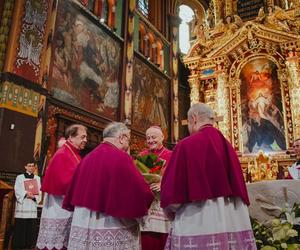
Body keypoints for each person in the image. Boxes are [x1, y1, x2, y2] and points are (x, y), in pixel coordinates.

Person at [161, 103, 256, 249]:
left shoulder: (185, 145)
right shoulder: (228, 146)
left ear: (194, 118)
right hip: (231, 219)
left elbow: (173, 193)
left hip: (197, 219)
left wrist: (170, 209)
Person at [63, 122, 154, 249]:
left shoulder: (86, 158)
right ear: (121, 138)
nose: (128, 144)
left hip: (83, 221)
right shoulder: (122, 158)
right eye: (128, 139)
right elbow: (140, 192)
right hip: (111, 224)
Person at [36, 124, 87, 250]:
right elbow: (63, 182)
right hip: (58, 208)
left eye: (86, 137)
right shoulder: (63, 154)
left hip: (68, 208)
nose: (85, 140)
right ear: (71, 137)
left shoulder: (75, 154)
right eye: (83, 137)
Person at [139, 126, 172, 250]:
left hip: (162, 204)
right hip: (146, 204)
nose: (150, 140)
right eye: (148, 138)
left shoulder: (171, 155)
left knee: (162, 239)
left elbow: (176, 177)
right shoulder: (142, 155)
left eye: (154, 137)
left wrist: (162, 184)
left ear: (162, 137)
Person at [12, 162, 41, 249]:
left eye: (33, 166)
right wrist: (25, 193)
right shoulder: (19, 177)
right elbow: (17, 188)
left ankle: (29, 244)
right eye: (29, 166)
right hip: (23, 204)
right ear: (25, 167)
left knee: (31, 225)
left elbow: (39, 190)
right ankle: (19, 245)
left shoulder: (37, 178)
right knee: (21, 225)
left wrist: (34, 196)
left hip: (32, 203)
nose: (31, 167)